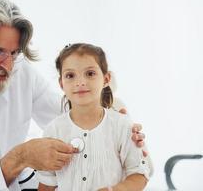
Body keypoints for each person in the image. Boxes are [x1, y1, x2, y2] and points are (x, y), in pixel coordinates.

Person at [0, 0, 148, 191]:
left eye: (14, 53)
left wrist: (112, 124)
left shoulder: (21, 73)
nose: (7, 65)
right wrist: (21, 156)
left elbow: (69, 115)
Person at [37, 43, 150, 191]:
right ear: (61, 84)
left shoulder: (122, 126)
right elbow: (46, 184)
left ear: (106, 79)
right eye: (70, 75)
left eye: (90, 73)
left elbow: (139, 175)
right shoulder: (53, 130)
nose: (80, 82)